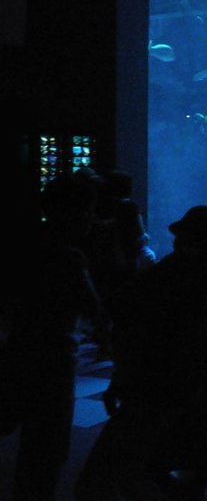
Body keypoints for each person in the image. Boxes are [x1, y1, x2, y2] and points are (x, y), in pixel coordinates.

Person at [76, 205, 207, 500]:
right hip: (170, 392)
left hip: (154, 392)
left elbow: (119, 310)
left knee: (107, 478)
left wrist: (123, 376)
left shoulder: (174, 275)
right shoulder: (203, 283)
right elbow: (194, 349)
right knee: (149, 472)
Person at [1, 175, 101, 501]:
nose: (92, 218)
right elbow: (96, 311)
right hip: (53, 362)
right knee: (46, 451)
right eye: (87, 210)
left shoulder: (24, 245)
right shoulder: (70, 257)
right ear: (70, 212)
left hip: (17, 350)